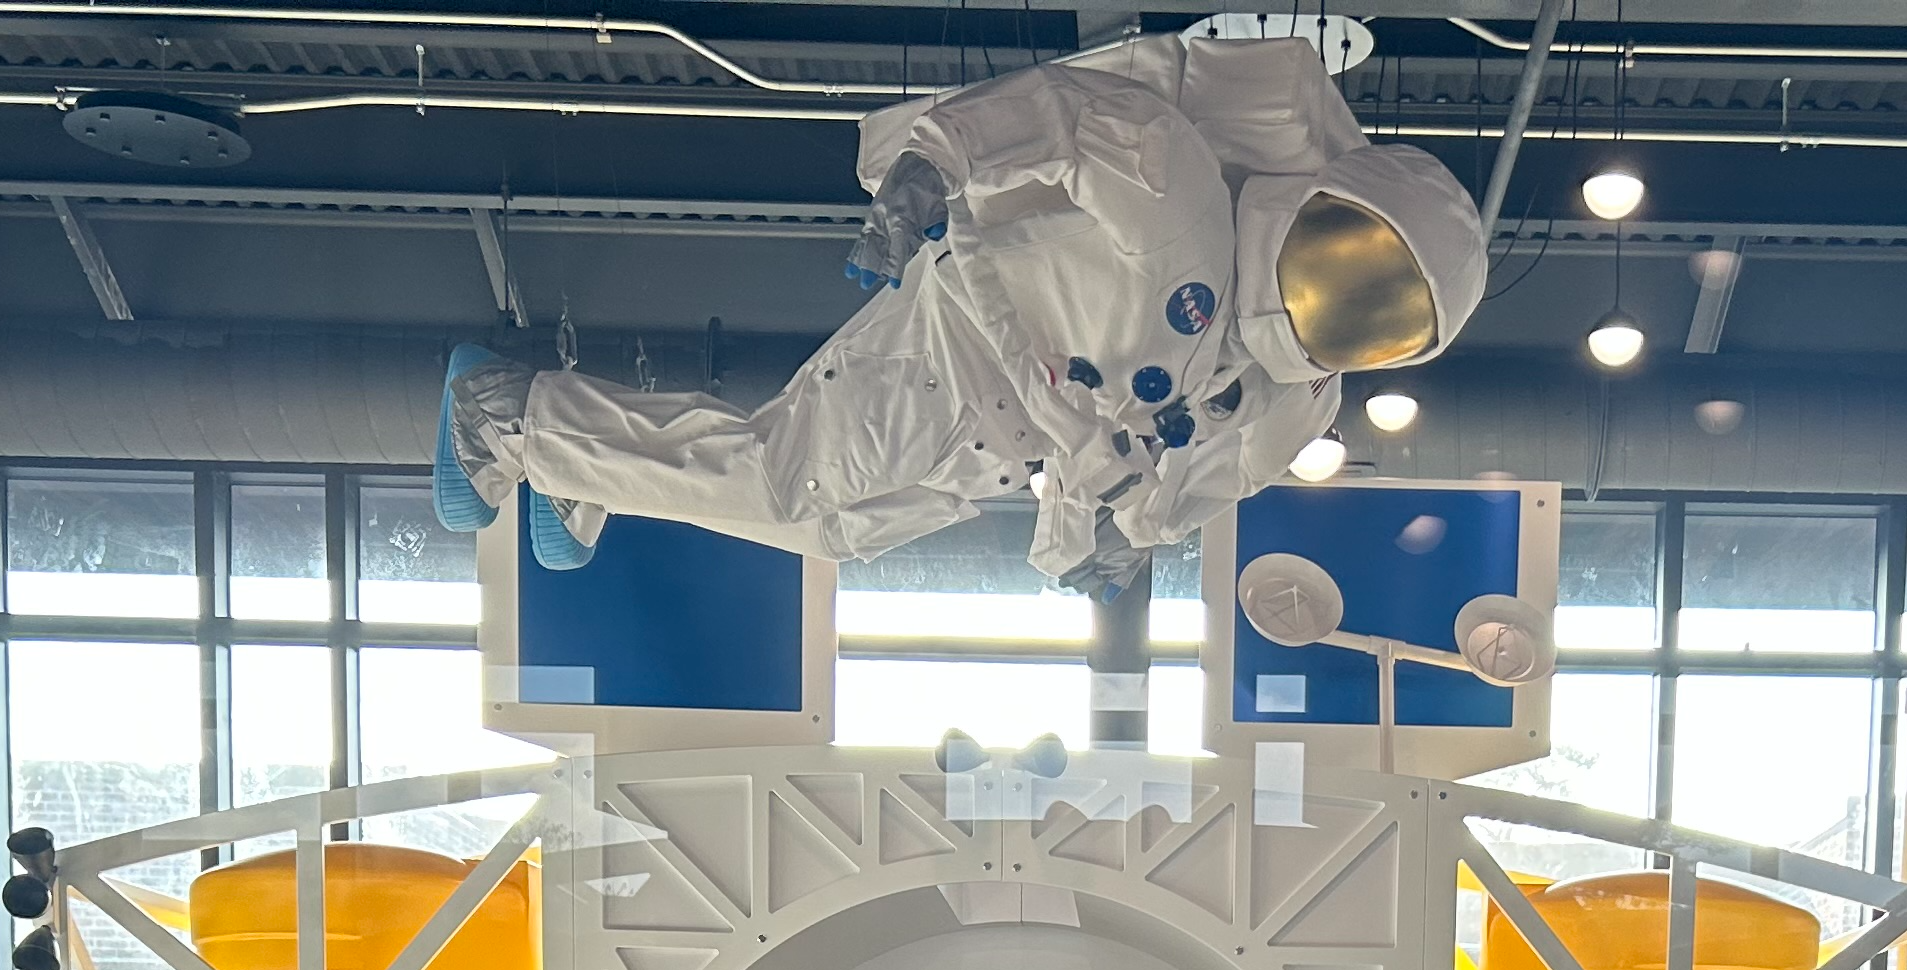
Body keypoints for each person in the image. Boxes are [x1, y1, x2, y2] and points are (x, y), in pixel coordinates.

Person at [437, 30, 1485, 591]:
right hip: (960, 345)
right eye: (1360, 257)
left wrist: (1123, 540)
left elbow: (1186, 492)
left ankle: (569, 461)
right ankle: (507, 415)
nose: (1343, 299)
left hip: (1006, 451)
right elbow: (1064, 118)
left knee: (835, 530)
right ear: (1324, 204)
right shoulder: (1186, 215)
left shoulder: (1284, 405)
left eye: (1383, 315)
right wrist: (929, 170)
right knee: (780, 480)